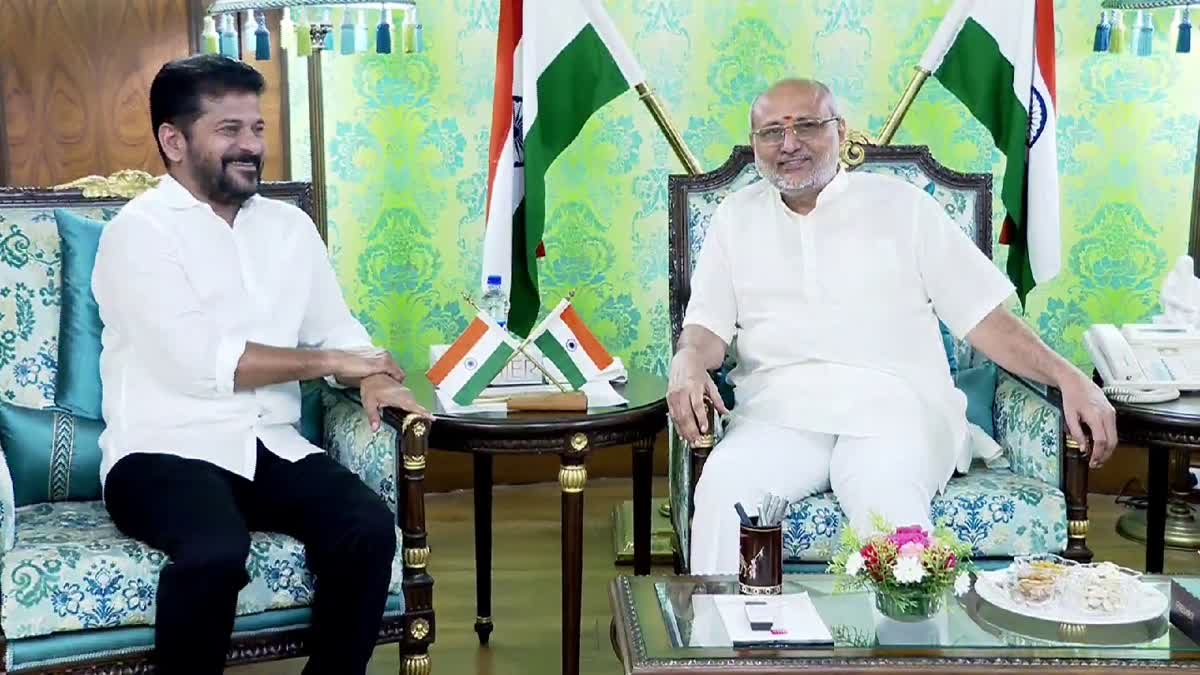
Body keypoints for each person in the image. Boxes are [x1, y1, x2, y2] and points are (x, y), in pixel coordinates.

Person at [669, 78, 1117, 575]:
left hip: (895, 409)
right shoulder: (736, 217)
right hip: (780, 414)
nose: (789, 143)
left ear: (841, 131)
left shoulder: (904, 207)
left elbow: (986, 321)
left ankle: (906, 648)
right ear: (755, 145)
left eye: (807, 126)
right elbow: (705, 331)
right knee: (724, 487)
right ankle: (721, 647)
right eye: (771, 131)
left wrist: (1069, 377)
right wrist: (686, 362)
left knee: (888, 505)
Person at [90, 54, 430, 674]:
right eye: (230, 130)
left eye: (259, 128)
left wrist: (373, 373)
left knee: (368, 530)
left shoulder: (289, 228)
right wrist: (331, 360)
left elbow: (335, 325)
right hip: (161, 450)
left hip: (268, 445)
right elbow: (201, 363)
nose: (252, 146)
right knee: (217, 552)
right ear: (173, 139)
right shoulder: (136, 234)